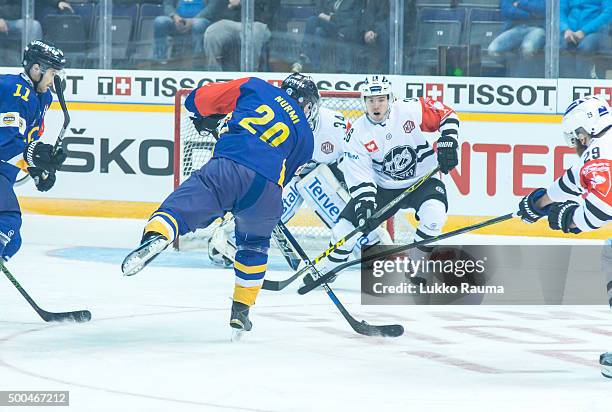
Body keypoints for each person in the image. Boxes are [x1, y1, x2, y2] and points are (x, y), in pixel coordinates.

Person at [121, 73, 318, 335]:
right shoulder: (307, 138)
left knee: (179, 209)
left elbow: (197, 100)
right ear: (308, 106)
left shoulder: (256, 86)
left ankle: (158, 235)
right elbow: (282, 172)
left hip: (228, 168)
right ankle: (241, 310)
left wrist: (211, 117)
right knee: (254, 244)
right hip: (268, 194)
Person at [207, 89, 392, 268]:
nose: (296, 111)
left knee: (322, 189)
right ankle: (232, 234)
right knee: (278, 203)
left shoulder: (335, 125)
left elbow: (356, 160)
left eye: (302, 106)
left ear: (313, 106)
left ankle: (370, 242)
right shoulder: (273, 123)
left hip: (327, 176)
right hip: (289, 178)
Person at [304, 75, 460, 283]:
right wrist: (365, 202)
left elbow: (447, 115)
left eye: (381, 99)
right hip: (383, 188)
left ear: (390, 98)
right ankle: (329, 268)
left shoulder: (408, 109)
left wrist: (449, 140)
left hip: (422, 180)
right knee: (344, 228)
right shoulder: (356, 134)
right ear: (364, 102)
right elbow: (360, 175)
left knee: (434, 215)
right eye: (370, 100)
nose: (376, 105)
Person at [516, 95, 611, 378]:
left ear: (587, 130)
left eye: (576, 136)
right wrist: (540, 202)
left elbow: (603, 208)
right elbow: (575, 179)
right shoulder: (604, 145)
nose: (576, 143)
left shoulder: (600, 153)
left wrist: (568, 219)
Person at [0, 40, 67, 263]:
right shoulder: (14, 90)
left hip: (4, 174)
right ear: (36, 69)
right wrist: (35, 155)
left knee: (13, 241)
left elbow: (23, 143)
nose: (55, 80)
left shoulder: (43, 97)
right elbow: (5, 143)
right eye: (53, 73)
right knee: (7, 221)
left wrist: (37, 168)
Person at [202, 0, 279, 71]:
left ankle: (251, 76)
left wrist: (242, 2)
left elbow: (272, 4)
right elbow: (216, 5)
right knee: (212, 32)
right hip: (228, 21)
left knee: (254, 33)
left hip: (257, 21)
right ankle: (214, 73)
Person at [292, 0, 364, 73]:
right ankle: (316, 67)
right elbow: (318, 9)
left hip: (344, 29)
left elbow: (353, 18)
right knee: (318, 31)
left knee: (313, 21)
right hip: (331, 27)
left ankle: (303, 57)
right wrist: (328, 17)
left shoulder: (356, 1)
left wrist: (331, 17)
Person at [559, 0, 612, 78]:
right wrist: (565, 29)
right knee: (559, 45)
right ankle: (567, 84)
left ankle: (582, 81)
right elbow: (559, 10)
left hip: (596, 32)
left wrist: (584, 31)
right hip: (570, 31)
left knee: (586, 46)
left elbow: (609, 13)